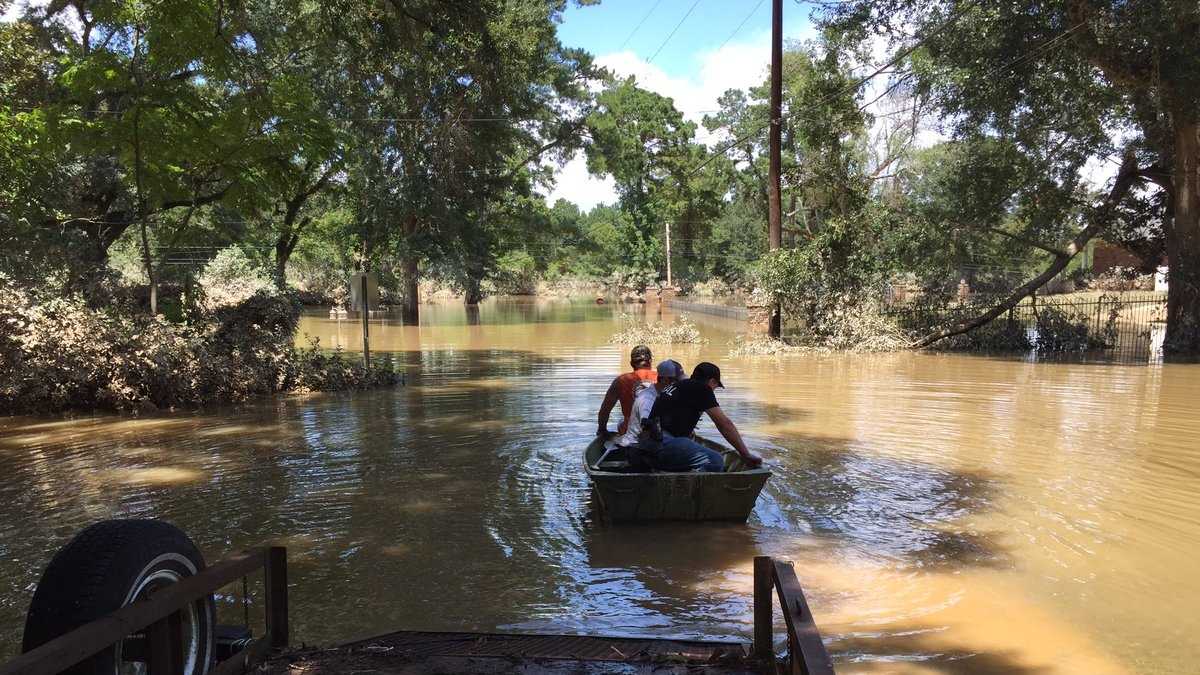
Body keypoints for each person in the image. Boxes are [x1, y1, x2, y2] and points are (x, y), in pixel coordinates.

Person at [647, 362, 763, 472]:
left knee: (689, 446)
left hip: (647, 442)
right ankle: (688, 489)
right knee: (716, 461)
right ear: (712, 381)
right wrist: (745, 454)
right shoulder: (702, 389)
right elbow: (724, 425)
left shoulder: (677, 385)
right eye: (715, 387)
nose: (713, 391)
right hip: (663, 444)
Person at [617, 359, 683, 448]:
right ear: (665, 380)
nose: (682, 384)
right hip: (636, 446)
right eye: (678, 381)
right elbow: (649, 431)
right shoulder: (647, 399)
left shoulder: (664, 395)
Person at [596, 345, 657, 437]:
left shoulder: (621, 380)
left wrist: (602, 430)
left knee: (621, 423)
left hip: (630, 432)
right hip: (658, 431)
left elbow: (605, 410)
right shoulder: (663, 378)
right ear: (650, 361)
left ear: (631, 363)